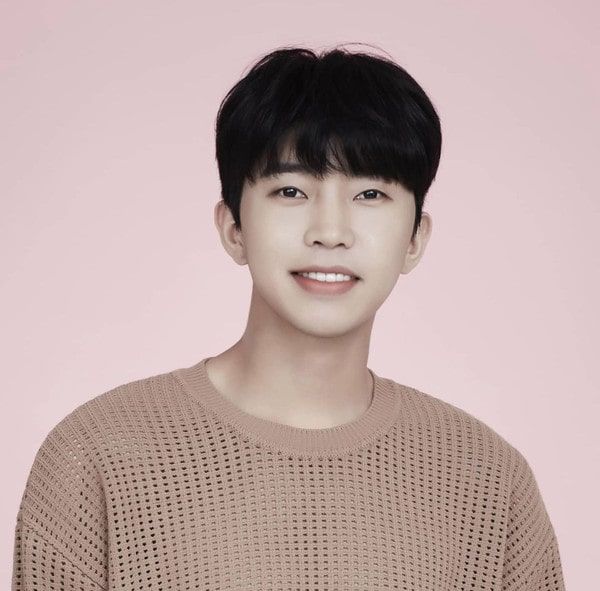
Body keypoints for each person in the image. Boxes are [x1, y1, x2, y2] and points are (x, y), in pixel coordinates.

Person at [12, 44, 566, 590]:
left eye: (370, 194)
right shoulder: (96, 457)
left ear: (415, 239)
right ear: (234, 229)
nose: (330, 231)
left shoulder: (491, 485)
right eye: (291, 190)